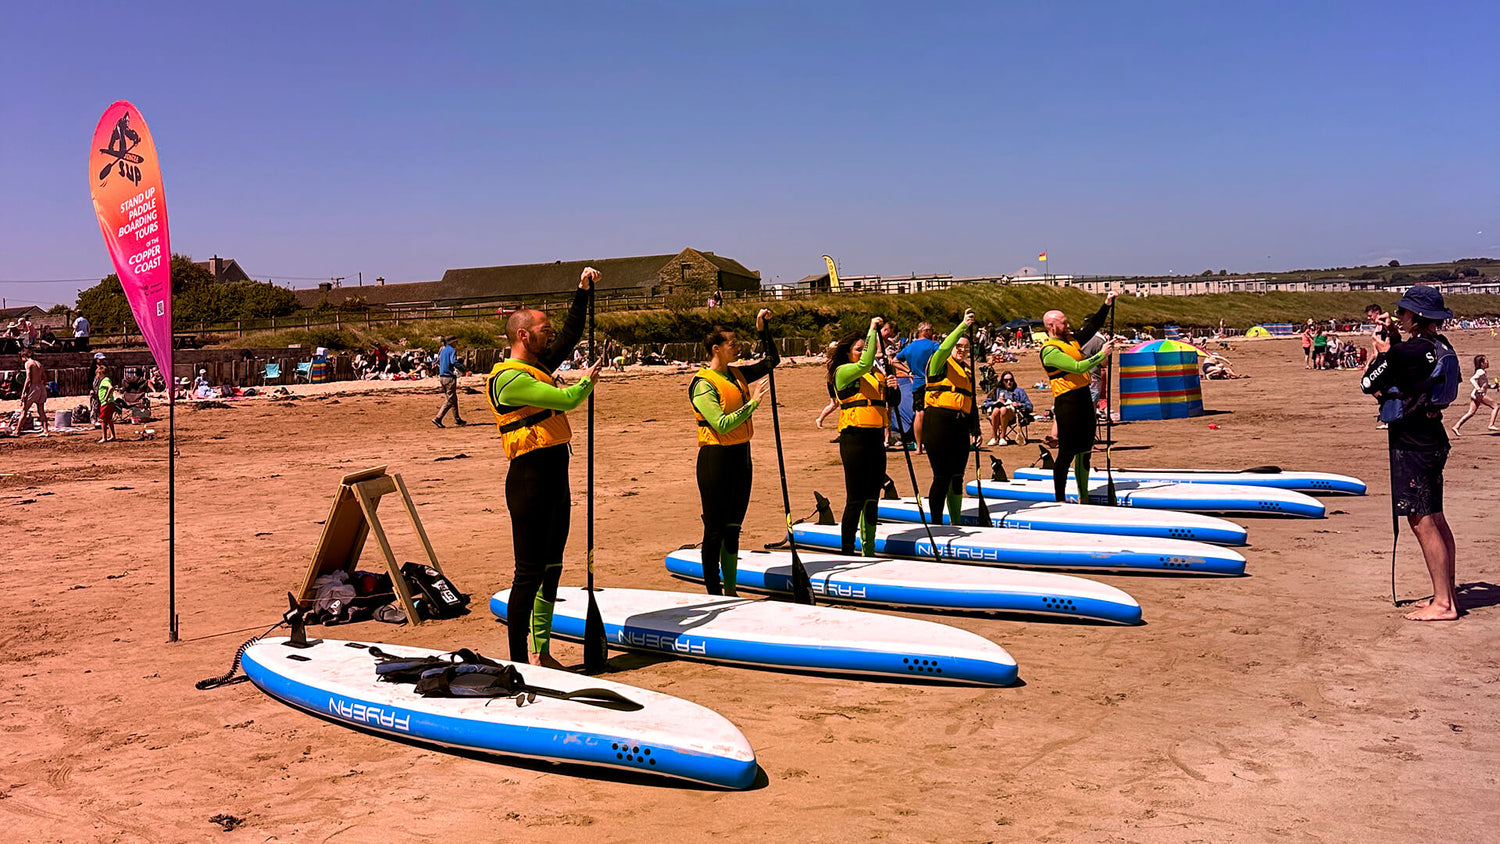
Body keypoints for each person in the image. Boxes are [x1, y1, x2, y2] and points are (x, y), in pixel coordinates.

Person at [486, 267, 601, 667]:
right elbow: (568, 400)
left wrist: (582, 293)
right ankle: (517, 660)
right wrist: (587, 382)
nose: (550, 334)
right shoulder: (507, 380)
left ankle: (543, 651)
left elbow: (570, 336)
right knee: (528, 574)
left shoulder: (537, 366)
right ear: (523, 335)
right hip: (529, 483)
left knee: (552, 568)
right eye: (543, 329)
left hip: (556, 479)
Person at [1361, 286, 1461, 621]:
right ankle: (1445, 593)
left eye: (1403, 313)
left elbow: (1368, 383)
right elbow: (1416, 371)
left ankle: (1444, 603)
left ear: (1415, 317)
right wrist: (1396, 346)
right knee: (1435, 515)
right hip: (1434, 436)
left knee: (1420, 519)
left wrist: (1382, 352)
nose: (1400, 317)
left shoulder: (1406, 352)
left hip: (1413, 441)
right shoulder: (1439, 345)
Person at [689, 309, 777, 596]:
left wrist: (762, 328)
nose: (738, 347)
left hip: (742, 457)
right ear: (716, 348)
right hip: (716, 459)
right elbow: (722, 424)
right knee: (714, 529)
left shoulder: (737, 373)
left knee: (733, 527)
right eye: (732, 344)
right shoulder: (702, 383)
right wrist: (752, 404)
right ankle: (714, 591)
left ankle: (731, 588)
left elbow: (772, 361)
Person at [1040, 293, 1118, 503]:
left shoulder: (1071, 340)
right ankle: (1060, 498)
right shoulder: (1049, 351)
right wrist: (1102, 354)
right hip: (1068, 403)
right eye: (1063, 323)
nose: (1068, 325)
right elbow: (1078, 366)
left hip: (1084, 398)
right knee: (1067, 453)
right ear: (1052, 326)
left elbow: (1091, 327)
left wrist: (1106, 305)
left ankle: (1083, 496)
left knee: (1085, 450)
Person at [829, 318, 889, 555]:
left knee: (873, 497)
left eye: (865, 348)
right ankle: (847, 550)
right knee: (856, 497)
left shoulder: (875, 373)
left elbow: (888, 402)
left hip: (876, 438)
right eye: (859, 348)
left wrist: (891, 388)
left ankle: (869, 547)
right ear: (848, 353)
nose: (865, 353)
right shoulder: (843, 372)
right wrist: (873, 330)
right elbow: (865, 363)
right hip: (854, 438)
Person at [921, 311, 978, 525]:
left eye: (965, 347)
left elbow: (970, 402)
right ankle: (936, 522)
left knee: (957, 477)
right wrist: (963, 326)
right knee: (942, 476)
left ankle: (956, 520)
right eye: (959, 346)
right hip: (938, 423)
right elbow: (945, 347)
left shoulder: (966, 372)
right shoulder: (938, 362)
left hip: (960, 424)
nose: (962, 350)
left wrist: (975, 429)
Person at [895, 322, 940, 454]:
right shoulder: (933, 345)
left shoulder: (909, 347)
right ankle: (933, 443)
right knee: (933, 413)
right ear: (925, 331)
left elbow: (894, 361)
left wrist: (908, 372)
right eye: (931, 330)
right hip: (931, 383)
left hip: (917, 383)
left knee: (919, 413)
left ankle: (918, 446)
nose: (933, 333)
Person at [1451, 354, 1498, 436]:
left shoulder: (1483, 372)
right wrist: (1478, 389)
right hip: (1479, 394)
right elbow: (1472, 379)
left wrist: (1494, 386)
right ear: (1481, 363)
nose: (1488, 362)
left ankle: (1456, 426)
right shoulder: (1481, 371)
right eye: (1486, 361)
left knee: (1471, 413)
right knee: (1495, 406)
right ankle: (1491, 425)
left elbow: (1484, 385)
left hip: (1476, 394)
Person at [431, 335, 471, 428]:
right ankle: (438, 418)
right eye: (455, 342)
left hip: (442, 377)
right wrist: (462, 368)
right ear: (452, 342)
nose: (456, 344)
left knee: (453, 398)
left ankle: (457, 419)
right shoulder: (452, 350)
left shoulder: (443, 350)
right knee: (450, 399)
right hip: (449, 377)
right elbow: (453, 361)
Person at [986, 370, 1033, 445]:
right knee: (996, 410)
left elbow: (1030, 406)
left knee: (1003, 409)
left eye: (1011, 380)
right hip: (998, 413)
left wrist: (1018, 404)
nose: (1009, 382)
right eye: (1006, 380)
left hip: (1014, 415)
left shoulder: (1019, 391)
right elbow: (986, 403)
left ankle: (1002, 437)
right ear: (1002, 381)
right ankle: (994, 437)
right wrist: (996, 402)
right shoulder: (996, 391)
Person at [9, 348, 49, 436]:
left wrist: (24, 392)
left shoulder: (28, 363)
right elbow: (44, 378)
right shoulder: (39, 364)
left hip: (33, 387)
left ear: (24, 356)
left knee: (24, 410)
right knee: (41, 411)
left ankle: (17, 431)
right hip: (41, 387)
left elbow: (28, 378)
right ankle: (46, 431)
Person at [89, 354, 107, 429]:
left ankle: (101, 420)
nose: (102, 361)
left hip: (102, 388)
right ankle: (94, 420)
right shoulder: (93, 368)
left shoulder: (105, 368)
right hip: (95, 388)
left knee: (101, 405)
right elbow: (89, 379)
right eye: (100, 360)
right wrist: (91, 389)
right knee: (94, 405)